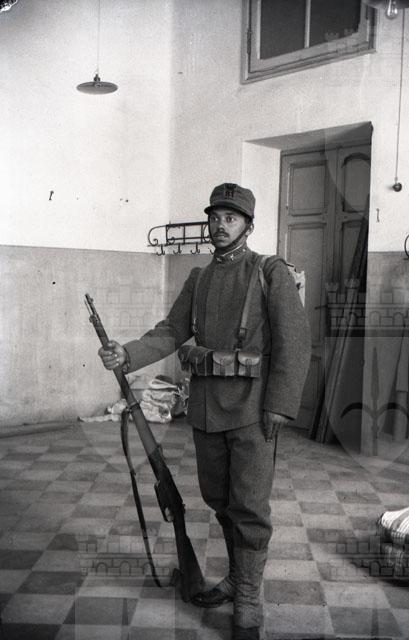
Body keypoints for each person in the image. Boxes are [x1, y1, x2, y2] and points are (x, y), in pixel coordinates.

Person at [98, 183, 311, 640]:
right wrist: (127, 353)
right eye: (214, 217)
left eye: (230, 218)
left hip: (254, 410)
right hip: (207, 411)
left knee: (249, 506)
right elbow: (170, 331)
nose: (220, 225)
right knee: (219, 501)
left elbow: (295, 344)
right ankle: (236, 576)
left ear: (248, 226)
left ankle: (248, 597)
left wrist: (279, 406)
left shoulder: (269, 272)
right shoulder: (199, 278)